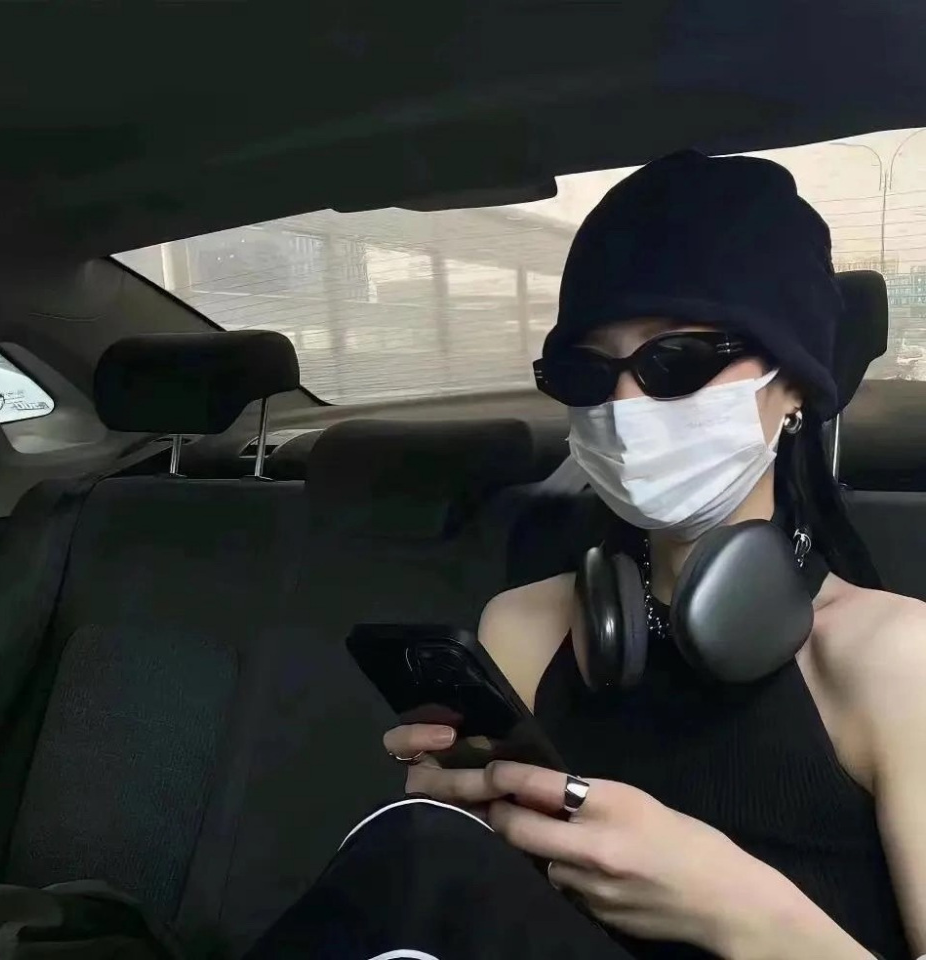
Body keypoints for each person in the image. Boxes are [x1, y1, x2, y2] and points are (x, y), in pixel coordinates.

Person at [379, 153, 926, 960]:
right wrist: (459, 826)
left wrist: (739, 913)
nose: (624, 405)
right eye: (587, 371)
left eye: (678, 362)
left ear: (796, 386)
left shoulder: (899, 659)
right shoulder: (525, 626)